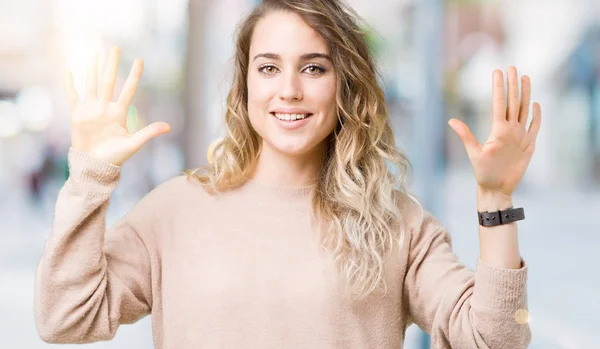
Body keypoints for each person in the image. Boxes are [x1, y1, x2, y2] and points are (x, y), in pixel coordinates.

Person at [34, 0, 541, 348]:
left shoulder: (397, 223)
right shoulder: (173, 211)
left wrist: (496, 199)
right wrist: (88, 177)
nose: (290, 91)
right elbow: (64, 318)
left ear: (346, 87)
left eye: (314, 68)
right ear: (245, 85)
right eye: (269, 67)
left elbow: (498, 338)